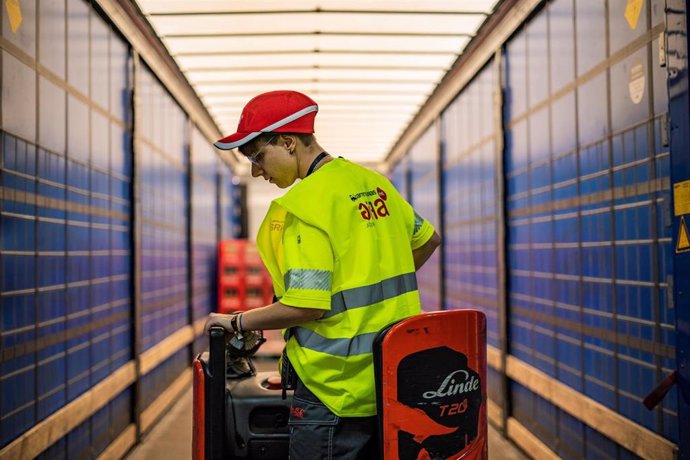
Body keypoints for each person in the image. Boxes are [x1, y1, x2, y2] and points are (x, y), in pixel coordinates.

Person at [205, 90, 441, 459]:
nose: (255, 170)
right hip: (395, 380)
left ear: (287, 142)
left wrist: (235, 321)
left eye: (257, 156)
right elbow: (428, 240)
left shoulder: (303, 208)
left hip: (332, 389)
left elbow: (306, 305)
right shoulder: (374, 184)